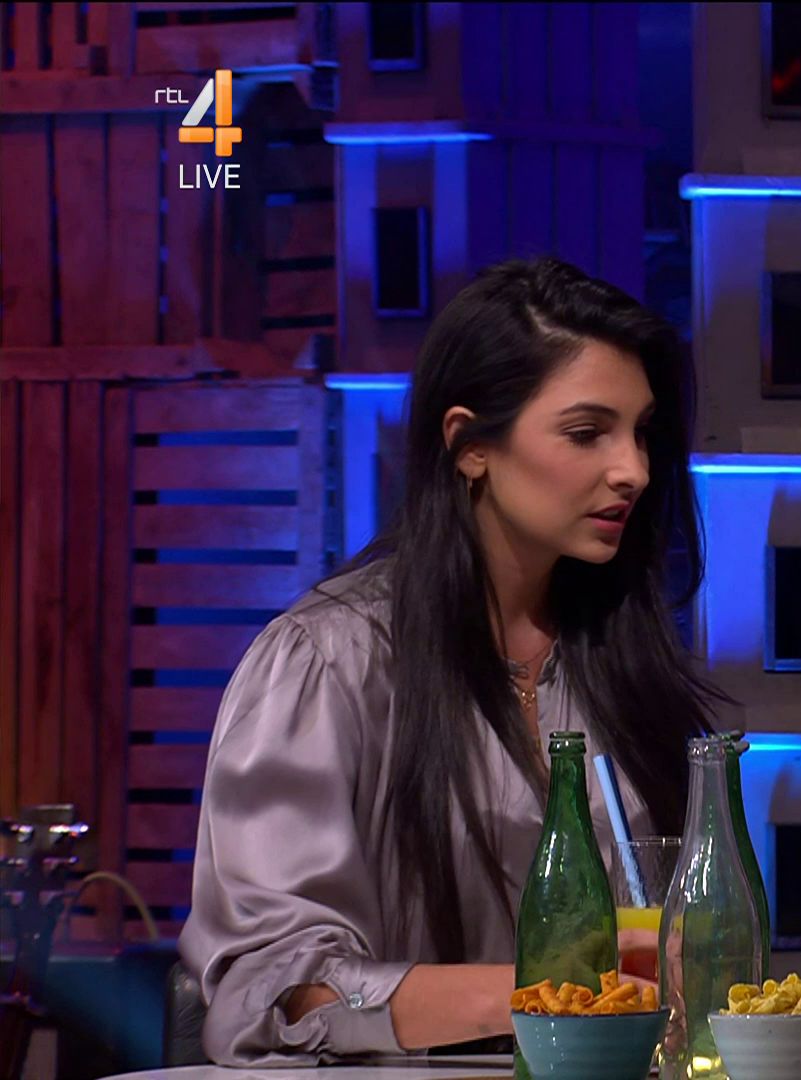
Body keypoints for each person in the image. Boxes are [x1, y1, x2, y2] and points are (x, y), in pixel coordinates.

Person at [179, 257, 719, 1063]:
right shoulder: (329, 661)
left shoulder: (619, 660)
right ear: (469, 445)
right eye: (587, 433)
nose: (633, 470)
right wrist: (553, 992)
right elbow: (275, 995)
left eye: (642, 433)